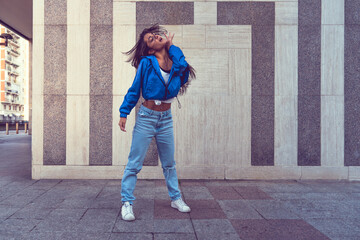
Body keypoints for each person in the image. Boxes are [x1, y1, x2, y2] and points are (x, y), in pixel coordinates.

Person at [118, 24, 195, 221]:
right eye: (150, 39)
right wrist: (124, 112)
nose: (155, 37)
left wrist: (171, 46)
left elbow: (184, 67)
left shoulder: (176, 63)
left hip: (166, 119)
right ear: (150, 49)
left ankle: (175, 198)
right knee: (134, 163)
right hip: (146, 117)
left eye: (155, 35)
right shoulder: (146, 63)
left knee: (169, 163)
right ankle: (127, 203)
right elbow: (135, 89)